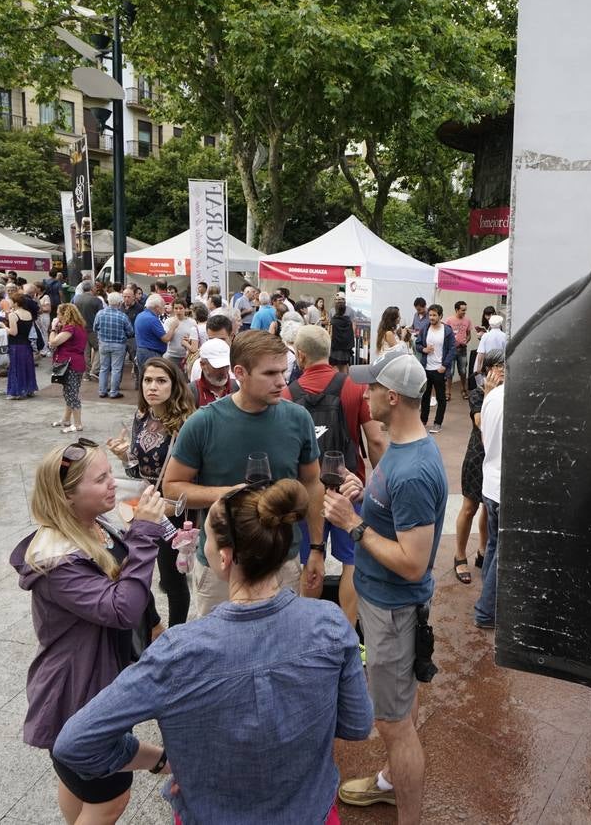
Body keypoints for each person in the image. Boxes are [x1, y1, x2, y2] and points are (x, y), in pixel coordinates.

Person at [52, 478, 373, 825]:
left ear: (224, 557)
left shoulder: (179, 652)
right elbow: (357, 724)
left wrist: (160, 761)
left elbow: (75, 744)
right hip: (311, 812)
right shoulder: (330, 623)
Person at [11, 443, 169, 825]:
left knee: (80, 787)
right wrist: (144, 535)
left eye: (110, 473)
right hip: (74, 692)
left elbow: (131, 589)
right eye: (101, 480)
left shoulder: (95, 525)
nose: (113, 484)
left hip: (97, 678)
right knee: (110, 799)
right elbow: (121, 608)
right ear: (66, 496)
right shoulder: (57, 561)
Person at [323, 348, 448, 819]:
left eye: (371, 386)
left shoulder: (413, 468)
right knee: (401, 707)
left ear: (391, 397)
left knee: (393, 725)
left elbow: (414, 563)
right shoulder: (403, 445)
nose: (364, 392)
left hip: (394, 610)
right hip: (388, 608)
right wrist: (365, 491)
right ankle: (393, 780)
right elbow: (393, 506)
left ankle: (406, 808)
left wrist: (354, 525)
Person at [163, 330, 327, 619]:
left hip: (282, 562)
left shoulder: (298, 419)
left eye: (284, 371)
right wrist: (229, 493)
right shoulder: (204, 422)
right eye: (270, 373)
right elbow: (172, 487)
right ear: (240, 372)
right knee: (218, 657)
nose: (282, 381)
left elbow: (312, 484)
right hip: (222, 566)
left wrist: (316, 548)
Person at [292, 325, 387, 626]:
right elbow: (374, 440)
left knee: (311, 562)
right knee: (352, 563)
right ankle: (351, 644)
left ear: (300, 355)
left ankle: (308, 638)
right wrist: (378, 486)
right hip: (348, 490)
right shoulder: (353, 388)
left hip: (307, 496)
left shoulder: (286, 393)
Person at [106, 358, 194, 628]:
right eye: (147, 380)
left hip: (170, 509)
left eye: (160, 381)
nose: (152, 387)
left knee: (171, 579)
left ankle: (175, 634)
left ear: (174, 385)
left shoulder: (187, 422)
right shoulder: (141, 416)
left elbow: (192, 475)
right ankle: (153, 625)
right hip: (142, 504)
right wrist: (124, 458)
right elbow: (137, 473)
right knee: (135, 570)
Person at [453, 349, 500, 584]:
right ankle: (459, 555)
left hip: (495, 457)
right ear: (488, 370)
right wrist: (490, 394)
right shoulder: (478, 393)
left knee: (487, 507)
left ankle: (482, 550)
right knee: (470, 506)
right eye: (499, 366)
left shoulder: (506, 393)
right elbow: (481, 423)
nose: (503, 371)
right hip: (477, 456)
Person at [473, 359, 506, 629]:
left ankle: (488, 596)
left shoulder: (491, 396)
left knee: (494, 545)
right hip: (504, 485)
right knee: (500, 549)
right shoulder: (518, 399)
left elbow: (485, 438)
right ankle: (486, 610)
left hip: (490, 482)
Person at [414, 304, 454, 433]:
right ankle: (423, 421)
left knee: (440, 397)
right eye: (430, 315)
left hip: (439, 369)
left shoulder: (447, 330)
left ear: (440, 316)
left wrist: (444, 366)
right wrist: (424, 349)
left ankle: (438, 423)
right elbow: (418, 344)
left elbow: (452, 349)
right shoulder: (425, 328)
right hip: (426, 368)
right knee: (425, 396)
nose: (431, 317)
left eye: (434, 315)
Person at [49, 303, 88, 433]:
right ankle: (66, 419)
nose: (57, 317)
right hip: (77, 363)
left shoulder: (70, 328)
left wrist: (53, 329)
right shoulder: (79, 327)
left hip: (70, 364)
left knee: (71, 394)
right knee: (70, 392)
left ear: (64, 314)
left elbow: (53, 342)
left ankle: (78, 424)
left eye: (59, 314)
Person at [94, 293, 134, 399]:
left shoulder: (100, 314)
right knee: (116, 369)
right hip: (118, 345)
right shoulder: (122, 316)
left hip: (103, 343)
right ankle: (113, 392)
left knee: (104, 368)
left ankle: (102, 391)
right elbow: (130, 332)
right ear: (120, 303)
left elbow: (95, 327)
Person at [4, 287, 39, 399]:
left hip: (15, 345)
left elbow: (13, 332)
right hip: (26, 344)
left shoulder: (13, 315)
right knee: (27, 367)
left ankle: (17, 391)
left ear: (16, 303)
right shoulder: (28, 314)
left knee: (16, 368)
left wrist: (4, 327)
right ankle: (29, 389)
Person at [187, 338, 237, 407]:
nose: (224, 371)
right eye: (218, 367)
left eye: (226, 366)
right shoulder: (190, 393)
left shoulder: (237, 387)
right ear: (202, 365)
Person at [73, 281, 104, 377]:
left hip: (80, 328)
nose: (96, 289)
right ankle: (94, 370)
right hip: (93, 329)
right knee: (99, 348)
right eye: (95, 287)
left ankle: (86, 373)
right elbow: (101, 315)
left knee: (85, 352)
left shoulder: (76, 299)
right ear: (91, 289)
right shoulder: (97, 300)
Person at [445, 300, 474, 400]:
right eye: (462, 310)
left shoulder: (467, 320)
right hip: (451, 349)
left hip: (462, 349)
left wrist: (467, 341)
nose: (464, 312)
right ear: (456, 309)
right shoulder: (449, 320)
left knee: (463, 371)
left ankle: (463, 390)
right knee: (450, 372)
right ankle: (448, 392)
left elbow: (469, 334)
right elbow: (445, 334)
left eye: (465, 310)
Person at [162, 299, 198, 374]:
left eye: (181, 308)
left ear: (186, 309)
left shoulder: (192, 322)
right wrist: (173, 328)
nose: (178, 311)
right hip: (171, 356)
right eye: (176, 308)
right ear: (173, 309)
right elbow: (166, 338)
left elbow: (195, 339)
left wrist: (189, 340)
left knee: (185, 380)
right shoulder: (168, 321)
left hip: (186, 357)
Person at [474, 314, 507, 382]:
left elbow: (481, 352)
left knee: (488, 381)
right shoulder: (504, 336)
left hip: (488, 364)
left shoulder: (486, 336)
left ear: (490, 324)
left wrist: (478, 367)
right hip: (500, 364)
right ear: (500, 324)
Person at [328, 298, 354, 370]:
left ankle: (338, 381)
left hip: (335, 348)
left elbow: (330, 335)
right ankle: (346, 380)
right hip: (346, 348)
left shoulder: (333, 321)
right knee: (345, 366)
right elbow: (350, 334)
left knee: (334, 367)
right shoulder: (348, 321)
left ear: (335, 309)